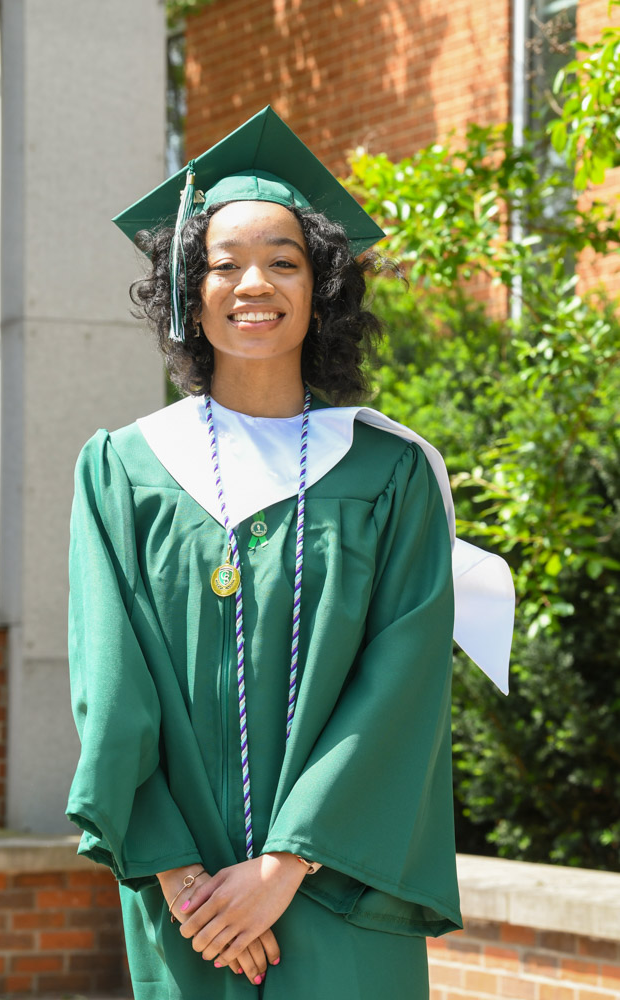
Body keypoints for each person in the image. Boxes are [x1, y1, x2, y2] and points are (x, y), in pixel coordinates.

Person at [66, 107, 514, 999]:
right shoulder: (122, 469)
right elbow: (110, 688)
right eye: (222, 264)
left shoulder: (390, 472)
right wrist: (181, 880)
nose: (252, 283)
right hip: (185, 898)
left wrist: (280, 872)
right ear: (189, 292)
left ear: (324, 289)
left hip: (341, 883)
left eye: (283, 260)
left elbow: (401, 688)